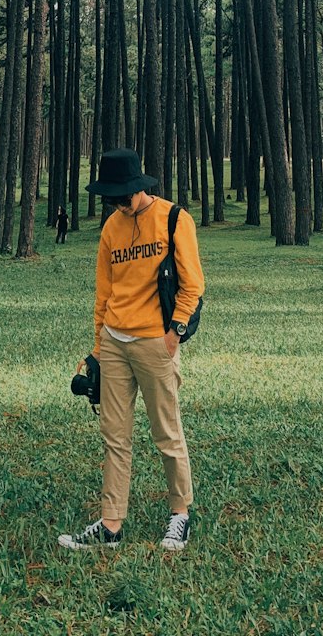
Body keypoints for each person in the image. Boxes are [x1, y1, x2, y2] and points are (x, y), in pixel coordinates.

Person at [58, 148, 205, 553]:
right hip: (115, 343)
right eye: (113, 197)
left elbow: (192, 284)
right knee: (115, 437)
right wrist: (97, 350)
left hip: (156, 344)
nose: (120, 203)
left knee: (166, 432)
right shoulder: (111, 228)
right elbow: (103, 294)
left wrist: (173, 334)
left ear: (139, 187)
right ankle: (111, 525)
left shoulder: (175, 220)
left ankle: (180, 515)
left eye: (124, 195)